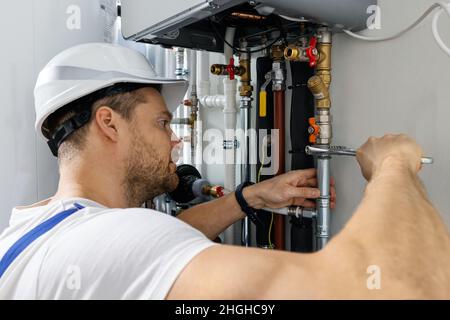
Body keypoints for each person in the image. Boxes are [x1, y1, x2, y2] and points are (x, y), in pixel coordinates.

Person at [0, 43, 449, 299]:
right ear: (108, 123)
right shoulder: (118, 242)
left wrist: (248, 198)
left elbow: (150, 244)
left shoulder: (33, 229)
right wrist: (394, 167)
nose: (174, 138)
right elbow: (384, 289)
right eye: (161, 122)